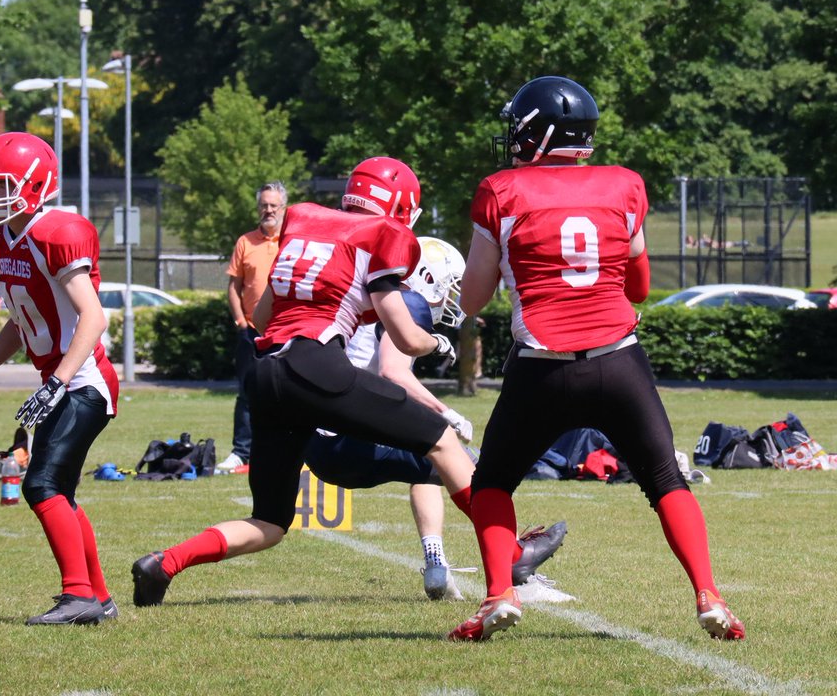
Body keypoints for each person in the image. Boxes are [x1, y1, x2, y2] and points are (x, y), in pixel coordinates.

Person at [129, 157, 563, 610]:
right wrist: (437, 344)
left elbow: (260, 319)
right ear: (397, 205)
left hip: (265, 373)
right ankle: (511, 558)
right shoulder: (378, 236)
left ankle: (165, 563)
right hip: (315, 365)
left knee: (270, 520)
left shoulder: (303, 226)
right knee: (443, 442)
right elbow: (405, 337)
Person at [448, 76, 745, 642]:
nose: (513, 136)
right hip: (618, 360)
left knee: (492, 482)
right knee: (666, 481)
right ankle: (708, 593)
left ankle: (499, 595)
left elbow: (474, 296)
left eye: (521, 127)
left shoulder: (501, 190)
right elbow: (638, 286)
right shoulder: (625, 186)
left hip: (542, 363)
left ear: (541, 133)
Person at [302, 236, 565, 600]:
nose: (453, 296)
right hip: (349, 437)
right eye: (450, 286)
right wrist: (447, 411)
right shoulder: (410, 303)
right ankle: (518, 568)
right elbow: (394, 373)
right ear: (428, 277)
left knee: (432, 454)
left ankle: (436, 561)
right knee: (478, 475)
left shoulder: (377, 298)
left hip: (323, 443)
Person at [0, 131, 119, 626]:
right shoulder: (0, 240)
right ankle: (97, 596)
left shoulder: (58, 232)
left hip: (84, 380)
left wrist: (56, 381)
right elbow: (20, 319)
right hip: (59, 379)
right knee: (60, 491)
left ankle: (79, 598)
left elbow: (93, 317)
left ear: (34, 184)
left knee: (42, 484)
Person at [220, 182, 288, 472]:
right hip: (251, 331)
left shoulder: (292, 240)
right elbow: (234, 287)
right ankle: (241, 452)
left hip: (285, 330)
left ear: (283, 207)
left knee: (288, 393)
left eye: (273, 205)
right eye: (264, 205)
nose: (268, 210)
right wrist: (239, 321)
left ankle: (289, 449)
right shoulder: (245, 242)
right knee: (247, 392)